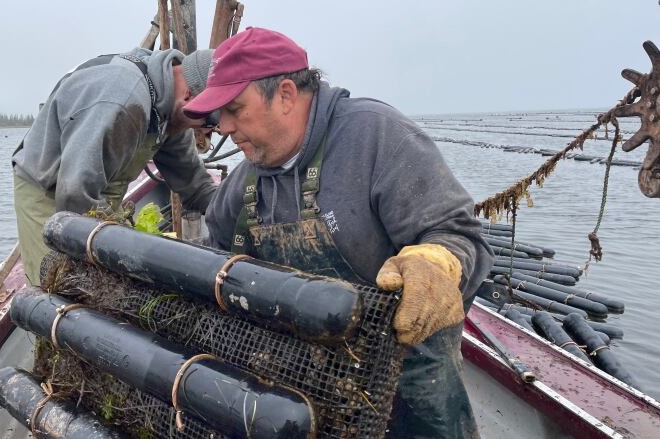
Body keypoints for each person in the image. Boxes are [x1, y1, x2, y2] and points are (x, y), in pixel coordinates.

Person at [184, 27, 493, 438]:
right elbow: (213, 262)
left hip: (408, 376)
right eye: (219, 114)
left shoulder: (375, 136)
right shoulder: (242, 185)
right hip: (312, 378)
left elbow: (459, 234)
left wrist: (432, 263)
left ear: (287, 94)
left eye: (235, 109)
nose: (223, 127)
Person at [12, 48, 218, 286]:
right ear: (189, 96)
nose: (208, 131)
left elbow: (194, 184)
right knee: (61, 291)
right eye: (210, 122)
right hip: (52, 191)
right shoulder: (122, 99)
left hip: (97, 193)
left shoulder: (170, 108)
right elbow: (74, 195)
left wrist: (233, 213)